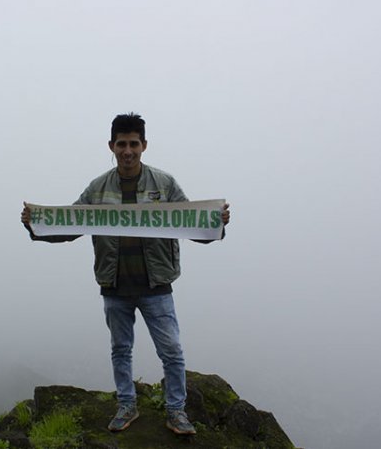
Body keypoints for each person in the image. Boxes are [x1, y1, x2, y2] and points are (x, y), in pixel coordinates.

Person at [20, 113, 231, 435]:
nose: (128, 150)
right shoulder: (98, 187)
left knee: (171, 351)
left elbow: (191, 223)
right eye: (122, 144)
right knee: (121, 349)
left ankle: (176, 411)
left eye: (134, 143)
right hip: (115, 284)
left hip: (156, 284)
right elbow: (71, 224)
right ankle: (126, 405)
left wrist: (216, 222)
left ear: (144, 145)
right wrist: (37, 225)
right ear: (112, 146)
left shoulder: (164, 184)